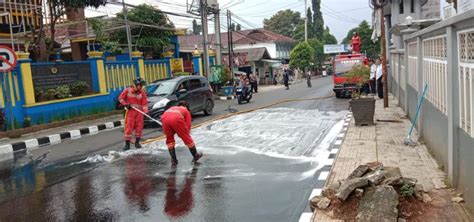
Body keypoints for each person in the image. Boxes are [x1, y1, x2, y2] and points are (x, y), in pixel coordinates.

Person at [161, 101, 202, 166]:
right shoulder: (186, 111)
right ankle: (195, 155)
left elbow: (168, 118)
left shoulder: (173, 107)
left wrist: (174, 130)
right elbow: (187, 126)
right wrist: (182, 133)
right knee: (186, 138)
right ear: (187, 107)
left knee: (169, 139)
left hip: (164, 118)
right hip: (176, 119)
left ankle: (174, 160)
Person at [119, 78, 148, 151]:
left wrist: (145, 111)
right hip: (130, 112)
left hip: (139, 113)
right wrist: (126, 104)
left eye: (142, 86)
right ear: (135, 85)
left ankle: (137, 142)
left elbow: (144, 103)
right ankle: (127, 144)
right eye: (140, 85)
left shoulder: (142, 93)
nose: (141, 87)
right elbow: (120, 98)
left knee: (139, 128)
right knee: (129, 127)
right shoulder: (127, 91)